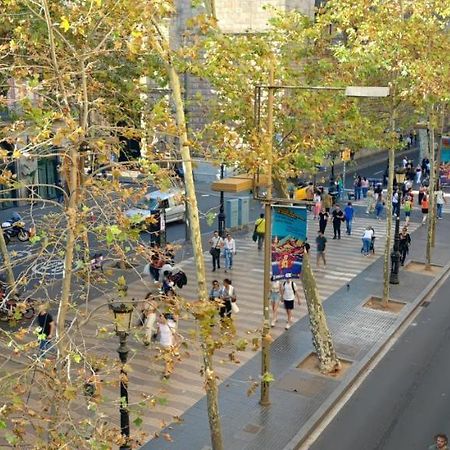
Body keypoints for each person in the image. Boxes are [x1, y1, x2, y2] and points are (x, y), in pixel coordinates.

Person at [157, 313, 178, 379]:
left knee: (165, 358)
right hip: (169, 344)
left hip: (162, 343)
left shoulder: (160, 324)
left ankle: (166, 370)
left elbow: (159, 330)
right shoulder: (172, 325)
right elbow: (174, 334)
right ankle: (166, 373)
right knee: (167, 359)